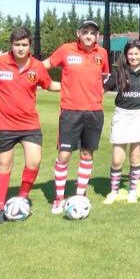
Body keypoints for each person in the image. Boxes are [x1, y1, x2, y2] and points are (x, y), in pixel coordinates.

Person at [0, 27, 60, 224]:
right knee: (4, 165)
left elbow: (50, 84)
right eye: (17, 44)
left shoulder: (37, 66)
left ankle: (22, 196)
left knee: (34, 162)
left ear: (30, 46)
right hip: (3, 125)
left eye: (24, 45)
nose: (20, 48)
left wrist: (74, 84)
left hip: (29, 124)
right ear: (11, 45)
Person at [42, 20, 110, 214]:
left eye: (93, 33)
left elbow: (105, 77)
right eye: (85, 32)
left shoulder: (102, 54)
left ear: (97, 35)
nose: (89, 35)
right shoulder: (66, 50)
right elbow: (43, 66)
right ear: (78, 33)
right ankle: (58, 198)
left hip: (94, 112)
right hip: (70, 111)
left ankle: (81, 195)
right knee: (64, 156)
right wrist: (46, 83)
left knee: (87, 154)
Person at [102, 40, 140, 203]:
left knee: (135, 157)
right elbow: (101, 90)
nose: (133, 57)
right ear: (125, 56)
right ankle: (114, 191)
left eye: (136, 53)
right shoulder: (119, 73)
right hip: (122, 116)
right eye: (130, 54)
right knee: (117, 158)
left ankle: (132, 191)